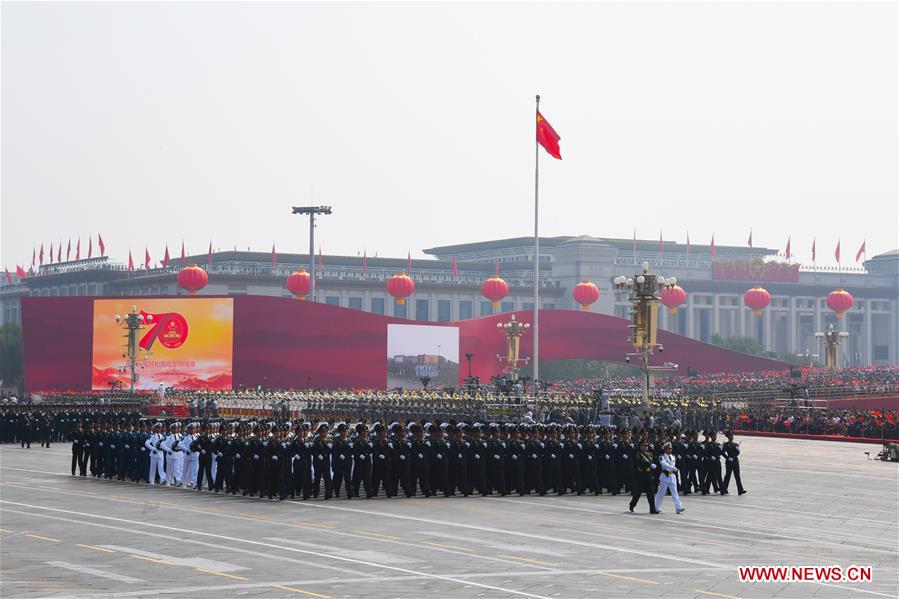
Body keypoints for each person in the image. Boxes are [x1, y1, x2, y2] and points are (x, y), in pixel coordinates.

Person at [654, 441, 684, 514]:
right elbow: (664, 465)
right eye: (668, 448)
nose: (670, 450)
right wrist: (673, 468)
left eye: (670, 448)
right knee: (661, 492)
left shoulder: (673, 457)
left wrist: (674, 469)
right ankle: (656, 507)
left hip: (672, 476)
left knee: (675, 492)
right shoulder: (662, 457)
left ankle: (678, 507)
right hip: (665, 476)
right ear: (665, 449)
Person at [629, 441, 659, 514]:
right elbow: (641, 463)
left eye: (646, 446)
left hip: (649, 475)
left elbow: (655, 461)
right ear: (640, 447)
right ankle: (632, 504)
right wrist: (650, 465)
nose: (645, 447)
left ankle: (652, 509)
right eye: (643, 446)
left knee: (650, 493)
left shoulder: (650, 454)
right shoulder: (638, 455)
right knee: (638, 493)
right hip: (641, 475)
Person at [722, 431, 747, 495]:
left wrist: (738, 450)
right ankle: (724, 489)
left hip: (735, 461)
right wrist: (727, 458)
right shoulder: (726, 444)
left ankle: (740, 490)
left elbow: (737, 453)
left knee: (737, 476)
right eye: (730, 436)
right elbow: (722, 452)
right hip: (729, 461)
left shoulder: (735, 444)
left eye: (732, 435)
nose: (731, 437)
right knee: (728, 475)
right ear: (727, 437)